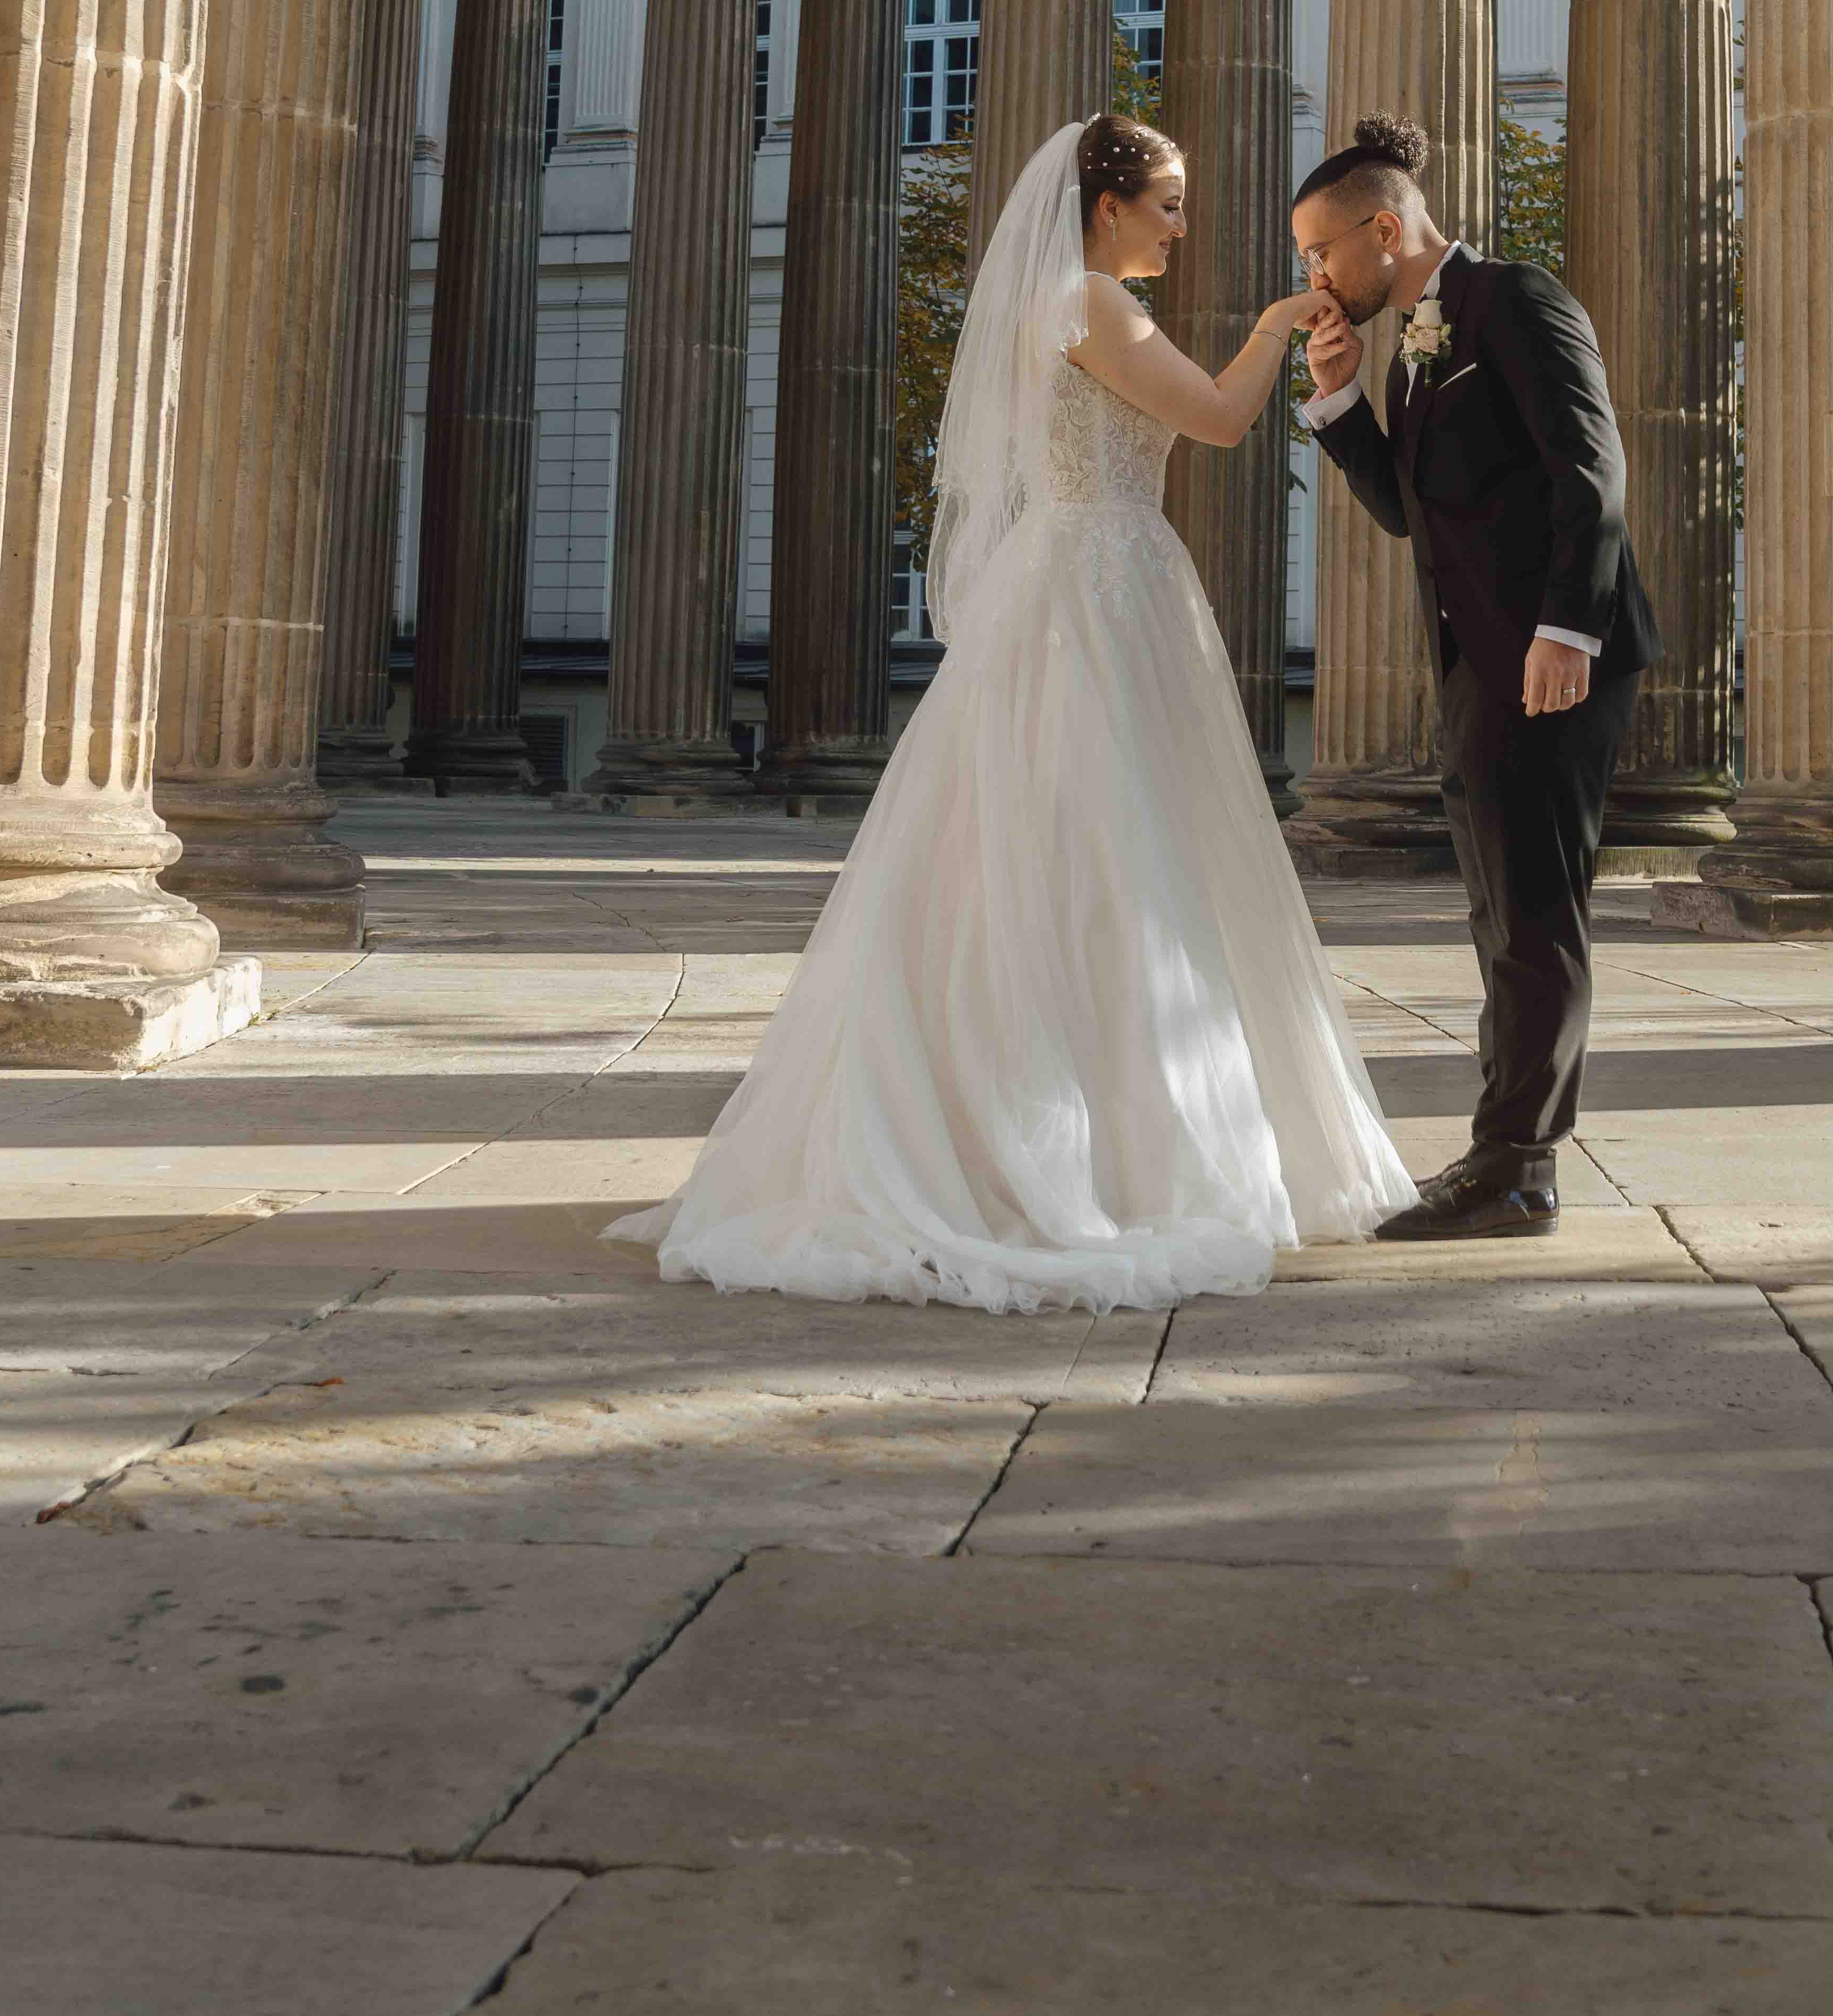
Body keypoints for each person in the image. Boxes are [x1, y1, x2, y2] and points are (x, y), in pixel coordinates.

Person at [625, 112, 1410, 1313]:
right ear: (1107, 206)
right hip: (1097, 592)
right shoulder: (1092, 302)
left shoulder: (1075, 301)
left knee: (1093, 848)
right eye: (1168, 202)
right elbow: (1213, 418)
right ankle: (1084, 1150)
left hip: (1094, 581)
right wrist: (1274, 326)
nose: (1181, 225)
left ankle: (1068, 1118)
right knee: (1111, 851)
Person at [1291, 113, 1658, 1239]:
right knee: (1501, 912)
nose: (1314, 276)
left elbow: (1592, 472)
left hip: (1554, 655)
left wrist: (1567, 632)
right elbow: (1414, 516)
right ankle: (1509, 1153)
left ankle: (1520, 1164)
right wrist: (1344, 402)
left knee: (1537, 912)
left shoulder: (1517, 300)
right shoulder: (1415, 340)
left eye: (1320, 254)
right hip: (1479, 662)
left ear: (1385, 228)